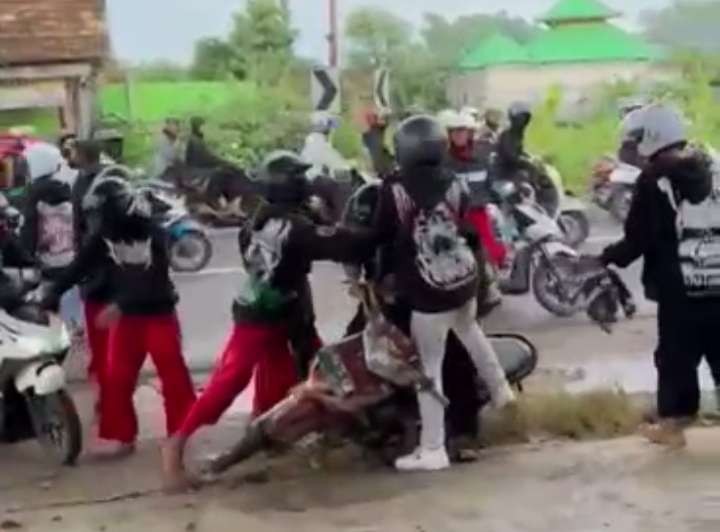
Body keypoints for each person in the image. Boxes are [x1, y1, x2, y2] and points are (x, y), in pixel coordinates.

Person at [161, 150, 374, 491]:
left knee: (300, 373)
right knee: (231, 381)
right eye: (300, 179)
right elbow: (348, 244)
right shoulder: (295, 228)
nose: (307, 184)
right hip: (264, 315)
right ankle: (176, 446)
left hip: (280, 310)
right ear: (288, 186)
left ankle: (275, 437)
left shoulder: (261, 218)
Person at [372, 115, 516, 472]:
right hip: (463, 280)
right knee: (469, 330)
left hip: (428, 293)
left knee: (428, 371)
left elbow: (377, 237)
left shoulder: (395, 191)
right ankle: (501, 390)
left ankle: (432, 448)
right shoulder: (455, 182)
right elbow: (467, 227)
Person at [39, 176, 197, 458]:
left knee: (173, 375)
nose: (97, 221)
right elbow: (78, 267)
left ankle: (180, 432)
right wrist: (52, 293)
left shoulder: (153, 233)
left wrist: (120, 304)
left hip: (157, 315)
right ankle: (122, 437)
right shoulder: (103, 237)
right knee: (115, 379)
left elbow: (154, 280)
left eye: (101, 215)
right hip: (126, 319)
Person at [599, 103, 719, 448]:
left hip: (680, 286)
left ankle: (673, 426)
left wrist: (606, 258)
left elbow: (638, 238)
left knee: (675, 358)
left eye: (636, 140)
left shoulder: (654, 181)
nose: (634, 149)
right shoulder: (714, 163)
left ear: (652, 138)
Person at [71, 141, 113, 410]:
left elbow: (82, 228)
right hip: (105, 269)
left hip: (97, 270)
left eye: (74, 152)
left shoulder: (87, 184)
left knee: (102, 339)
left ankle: (108, 394)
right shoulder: (107, 178)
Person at [20, 143, 81, 331]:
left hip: (48, 261)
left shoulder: (34, 194)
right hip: (71, 258)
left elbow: (29, 232)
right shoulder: (68, 188)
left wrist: (25, 260)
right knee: (71, 307)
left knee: (45, 310)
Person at [300, 111, 350, 179]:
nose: (331, 129)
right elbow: (342, 172)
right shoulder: (320, 145)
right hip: (319, 184)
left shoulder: (308, 144)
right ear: (322, 124)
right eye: (329, 124)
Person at [495, 102, 535, 182]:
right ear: (514, 118)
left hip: (516, 173)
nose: (523, 121)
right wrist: (524, 161)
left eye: (525, 118)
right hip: (506, 175)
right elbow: (510, 156)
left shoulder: (519, 135)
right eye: (521, 117)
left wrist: (530, 157)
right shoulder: (507, 135)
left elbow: (519, 151)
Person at [362, 108, 394, 178]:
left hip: (387, 164)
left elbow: (387, 117)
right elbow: (366, 152)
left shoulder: (380, 128)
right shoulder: (366, 135)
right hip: (379, 167)